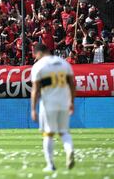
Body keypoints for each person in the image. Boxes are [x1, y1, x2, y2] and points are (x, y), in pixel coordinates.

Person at [31, 44, 75, 172]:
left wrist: (33, 109)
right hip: (63, 102)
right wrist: (71, 101)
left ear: (38, 53)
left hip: (48, 103)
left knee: (48, 134)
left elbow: (35, 90)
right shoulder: (64, 63)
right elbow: (72, 84)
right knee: (64, 132)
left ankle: (50, 165)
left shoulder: (39, 66)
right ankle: (69, 150)